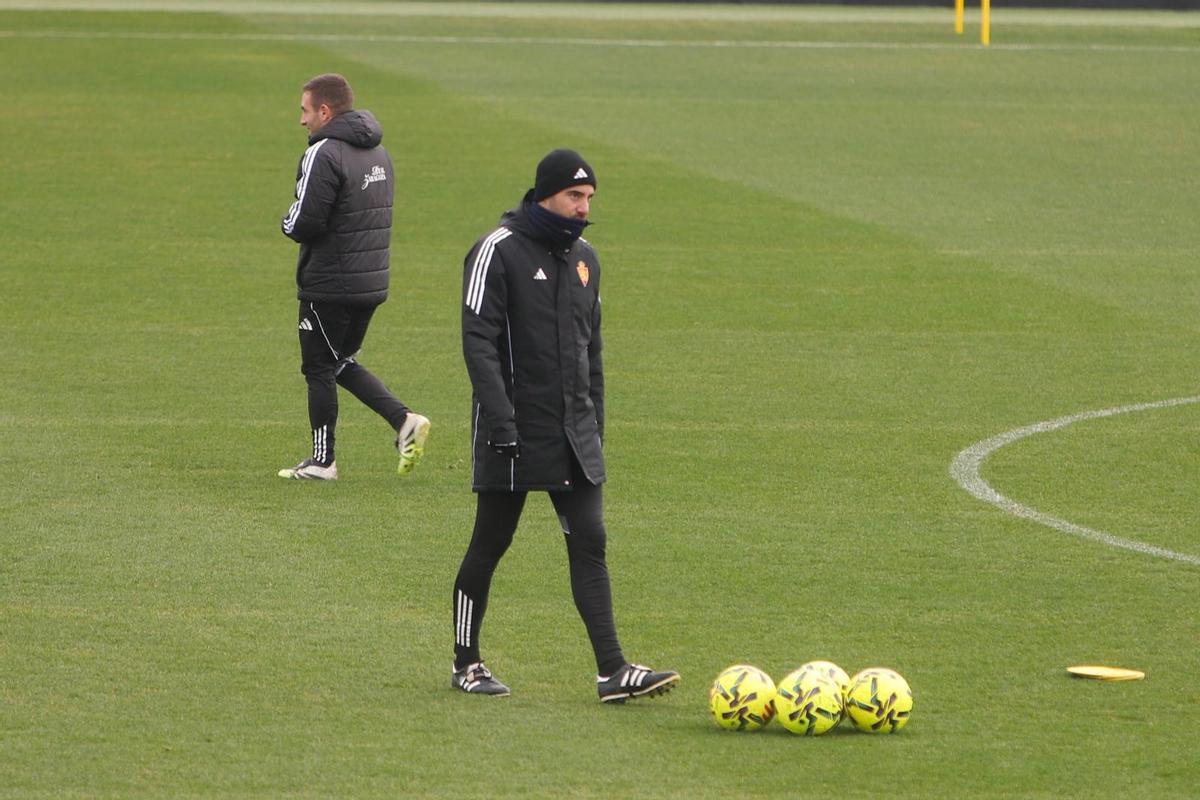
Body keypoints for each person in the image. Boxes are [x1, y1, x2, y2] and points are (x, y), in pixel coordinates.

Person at [452, 148, 679, 703]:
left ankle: (612, 671)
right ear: (546, 193)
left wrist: (594, 421)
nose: (583, 208)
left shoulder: (586, 260)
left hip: (573, 433)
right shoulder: (495, 251)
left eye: (589, 199)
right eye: (575, 197)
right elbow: (477, 341)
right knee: (490, 544)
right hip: (513, 430)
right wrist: (500, 420)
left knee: (591, 543)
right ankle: (466, 662)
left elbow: (589, 350)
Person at [277, 73, 429, 481]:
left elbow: (305, 220)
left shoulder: (324, 153)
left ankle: (322, 462)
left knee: (319, 369)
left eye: (305, 111)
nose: (302, 121)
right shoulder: (378, 152)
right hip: (370, 281)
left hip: (330, 282)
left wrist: (285, 223)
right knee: (340, 361)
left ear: (324, 111)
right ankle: (404, 421)